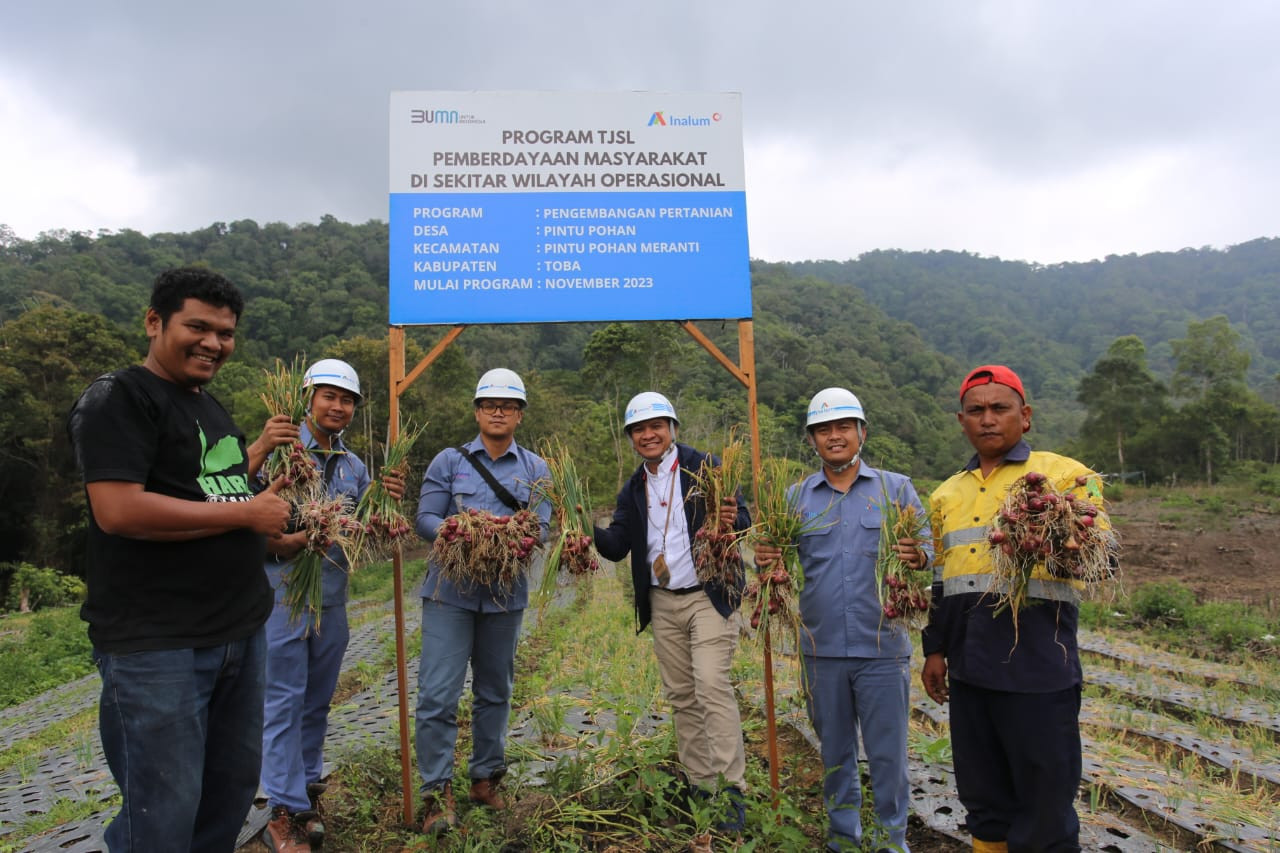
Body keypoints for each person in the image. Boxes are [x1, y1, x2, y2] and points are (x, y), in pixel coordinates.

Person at [66, 266, 293, 852]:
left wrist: (263, 498)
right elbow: (119, 510)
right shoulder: (120, 397)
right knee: (163, 813)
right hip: (158, 645)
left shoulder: (207, 407)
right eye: (198, 327)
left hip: (238, 634)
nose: (213, 343)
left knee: (229, 793)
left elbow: (208, 491)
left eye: (225, 332)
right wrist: (247, 515)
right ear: (153, 322)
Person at [921, 365, 1107, 853]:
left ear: (1024, 417)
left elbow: (1098, 557)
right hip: (970, 671)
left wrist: (1058, 533)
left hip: (1039, 671)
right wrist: (934, 650)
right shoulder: (945, 493)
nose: (988, 419)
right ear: (961, 420)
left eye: (999, 409)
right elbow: (942, 581)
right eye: (976, 410)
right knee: (984, 802)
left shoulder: (1065, 475)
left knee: (1044, 808)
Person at [753, 387, 931, 852]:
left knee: (889, 756)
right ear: (812, 439)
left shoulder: (897, 489)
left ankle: (892, 842)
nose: (835, 437)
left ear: (861, 433)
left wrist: (919, 556)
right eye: (824, 430)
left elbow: (929, 552)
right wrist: (765, 557)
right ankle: (843, 840)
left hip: (883, 649)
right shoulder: (795, 498)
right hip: (821, 648)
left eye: (843, 427)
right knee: (835, 754)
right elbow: (775, 563)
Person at [258, 359, 405, 852]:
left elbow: (364, 531)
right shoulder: (280, 450)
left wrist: (382, 505)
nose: (338, 406)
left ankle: (307, 793)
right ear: (308, 398)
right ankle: (281, 808)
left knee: (318, 699)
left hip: (332, 598)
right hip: (282, 597)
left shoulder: (354, 466)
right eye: (329, 396)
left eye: (347, 400)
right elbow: (241, 514)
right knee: (283, 697)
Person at [592, 391, 751, 832]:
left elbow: (744, 523)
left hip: (708, 594)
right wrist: (581, 527)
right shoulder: (633, 488)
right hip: (663, 602)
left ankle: (731, 790)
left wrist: (731, 517)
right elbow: (617, 545)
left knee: (712, 684)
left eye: (655, 426)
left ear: (672, 428)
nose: (648, 435)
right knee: (682, 695)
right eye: (639, 430)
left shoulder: (708, 467)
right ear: (631, 438)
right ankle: (701, 786)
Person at [413, 368, 552, 835]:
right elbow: (426, 517)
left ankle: (485, 777)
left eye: (508, 405)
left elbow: (542, 528)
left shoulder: (536, 469)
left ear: (519, 414)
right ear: (476, 411)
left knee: (495, 691)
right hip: (448, 594)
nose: (498, 411)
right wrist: (458, 532)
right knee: (437, 694)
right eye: (490, 403)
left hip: (504, 595)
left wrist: (512, 536)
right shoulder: (449, 462)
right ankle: (436, 791)